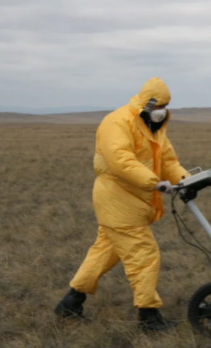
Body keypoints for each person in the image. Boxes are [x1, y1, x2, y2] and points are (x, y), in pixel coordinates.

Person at [54, 77, 189, 332]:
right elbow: (121, 160)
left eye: (166, 105)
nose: (163, 109)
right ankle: (149, 316)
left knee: (104, 251)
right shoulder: (117, 121)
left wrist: (187, 180)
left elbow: (168, 160)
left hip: (136, 199)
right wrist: (154, 182)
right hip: (117, 197)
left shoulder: (154, 127)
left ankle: (70, 303)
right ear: (147, 103)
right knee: (144, 255)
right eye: (159, 104)